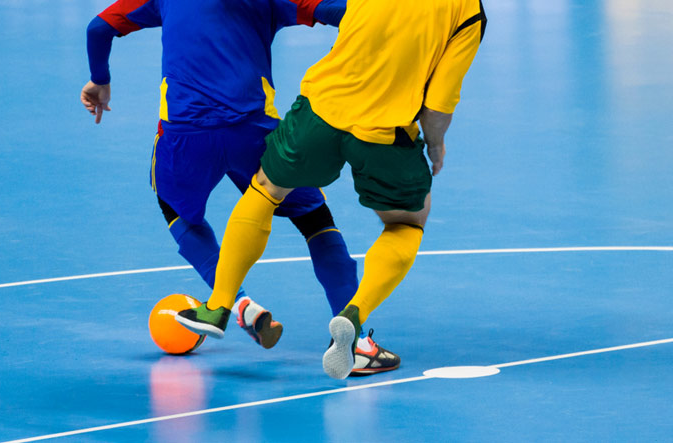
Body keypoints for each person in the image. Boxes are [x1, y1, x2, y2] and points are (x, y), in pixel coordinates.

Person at [81, 0, 401, 375]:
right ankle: (357, 343)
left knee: (177, 211)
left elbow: (98, 29)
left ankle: (235, 304)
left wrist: (100, 80)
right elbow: (342, 12)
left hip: (186, 137)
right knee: (315, 219)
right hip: (254, 133)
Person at [176, 0, 487, 379]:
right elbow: (438, 105)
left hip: (319, 112)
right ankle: (353, 319)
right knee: (406, 223)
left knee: (264, 190)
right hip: (384, 132)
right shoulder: (468, 12)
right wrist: (435, 144)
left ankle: (218, 304)